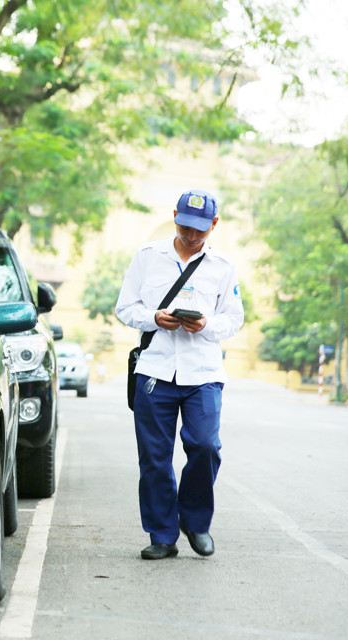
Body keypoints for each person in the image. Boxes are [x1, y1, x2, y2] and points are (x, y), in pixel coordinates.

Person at [115, 188, 244, 560]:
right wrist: (153, 317)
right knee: (154, 457)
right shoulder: (147, 256)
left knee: (205, 446)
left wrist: (204, 325)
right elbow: (125, 307)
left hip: (203, 371)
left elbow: (233, 318)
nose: (191, 236)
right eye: (185, 226)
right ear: (175, 216)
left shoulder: (223, 266)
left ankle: (195, 521)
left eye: (200, 230)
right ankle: (162, 535)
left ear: (214, 225)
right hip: (155, 369)